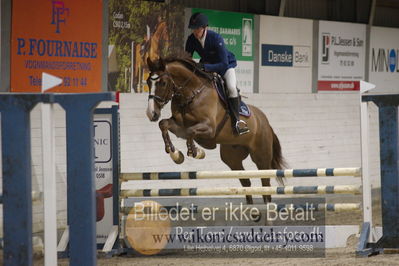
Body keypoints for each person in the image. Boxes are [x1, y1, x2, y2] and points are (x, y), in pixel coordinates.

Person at [185, 12, 249, 135]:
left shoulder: (216, 38)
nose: (195, 32)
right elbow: (187, 57)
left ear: (204, 28)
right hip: (207, 66)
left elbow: (223, 64)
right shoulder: (191, 39)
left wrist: (204, 66)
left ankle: (237, 123)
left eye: (197, 29)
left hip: (225, 66)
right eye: (193, 29)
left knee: (231, 88)